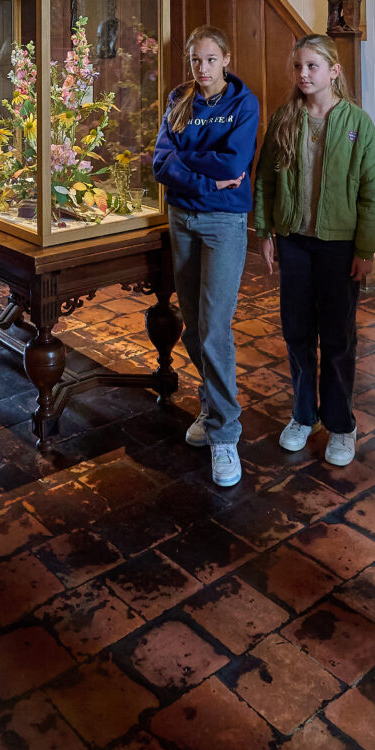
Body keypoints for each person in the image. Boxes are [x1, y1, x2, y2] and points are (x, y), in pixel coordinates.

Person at [253, 35, 375, 466]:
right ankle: (303, 414)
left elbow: (374, 192)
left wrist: (367, 248)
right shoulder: (285, 119)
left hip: (338, 246)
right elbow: (265, 182)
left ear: (333, 71)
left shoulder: (357, 124)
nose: (304, 75)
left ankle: (341, 425)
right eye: (298, 67)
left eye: (313, 66)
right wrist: (266, 232)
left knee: (336, 336)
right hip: (293, 242)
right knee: (295, 332)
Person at [154, 25, 260, 487]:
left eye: (211, 59)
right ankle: (214, 404)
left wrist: (188, 165)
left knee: (215, 327)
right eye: (196, 60)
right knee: (193, 325)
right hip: (182, 220)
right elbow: (161, 163)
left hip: (223, 224)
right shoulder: (179, 99)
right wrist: (200, 176)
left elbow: (232, 165)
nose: (203, 68)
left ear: (226, 59)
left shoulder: (244, 103)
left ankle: (225, 434)